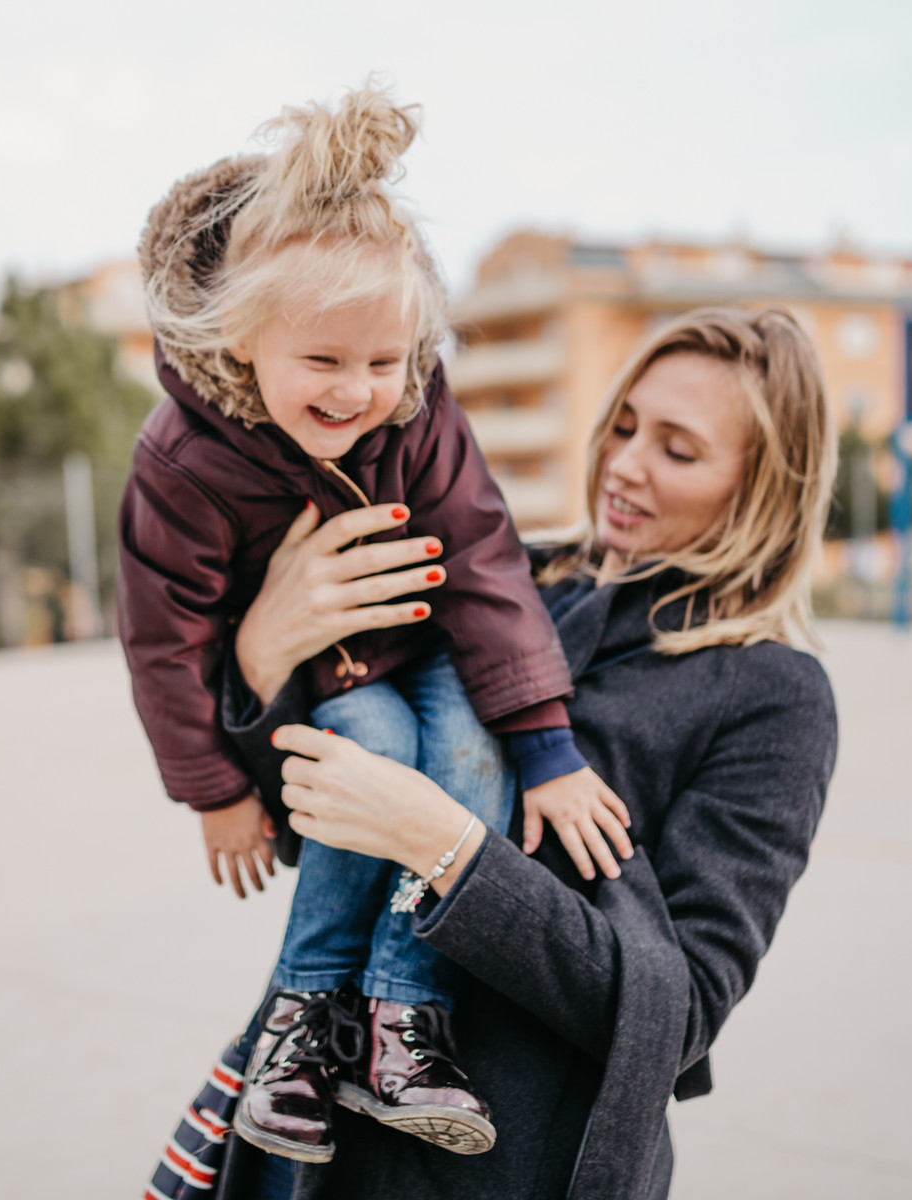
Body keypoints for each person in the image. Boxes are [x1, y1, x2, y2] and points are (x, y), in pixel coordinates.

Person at [198, 306, 840, 1200]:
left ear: (766, 485)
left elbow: (680, 1015)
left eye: (678, 450)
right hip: (305, 1132)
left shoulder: (774, 693)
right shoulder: (505, 577)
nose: (624, 463)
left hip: (494, 1169)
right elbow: (317, 827)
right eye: (622, 425)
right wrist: (264, 661)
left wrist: (448, 847)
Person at [118, 81, 635, 1170]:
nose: (361, 393)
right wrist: (213, 791)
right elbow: (164, 634)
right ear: (242, 339)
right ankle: (302, 1027)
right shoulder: (183, 462)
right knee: (383, 749)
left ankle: (406, 1023)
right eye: (324, 362)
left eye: (384, 361)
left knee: (463, 749)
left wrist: (545, 746)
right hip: (328, 675)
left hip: (437, 639)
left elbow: (487, 556)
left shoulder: (417, 409)